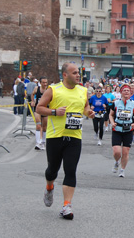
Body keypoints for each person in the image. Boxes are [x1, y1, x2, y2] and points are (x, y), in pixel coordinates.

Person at [36, 63, 93, 220]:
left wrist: (90, 113)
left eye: (78, 73)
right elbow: (39, 108)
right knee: (52, 170)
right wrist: (54, 111)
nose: (78, 75)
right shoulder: (54, 90)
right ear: (65, 75)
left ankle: (67, 205)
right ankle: (49, 187)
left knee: (70, 170)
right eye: (74, 73)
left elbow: (85, 107)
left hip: (74, 137)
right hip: (55, 137)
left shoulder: (83, 91)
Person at [109, 83, 134, 177]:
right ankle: (116, 161)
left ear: (130, 92)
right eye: (124, 90)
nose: (126, 92)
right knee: (116, 151)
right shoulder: (116, 103)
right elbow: (111, 115)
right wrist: (112, 122)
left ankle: (122, 170)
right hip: (117, 129)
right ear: (121, 92)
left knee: (125, 151)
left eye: (128, 90)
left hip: (128, 130)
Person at [31, 77, 49, 150]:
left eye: (46, 82)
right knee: (38, 125)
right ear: (40, 83)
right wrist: (33, 101)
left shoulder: (49, 90)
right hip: (38, 109)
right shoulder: (37, 88)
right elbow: (32, 94)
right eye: (43, 82)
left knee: (44, 127)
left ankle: (43, 142)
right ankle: (38, 143)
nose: (45, 84)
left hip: (45, 109)